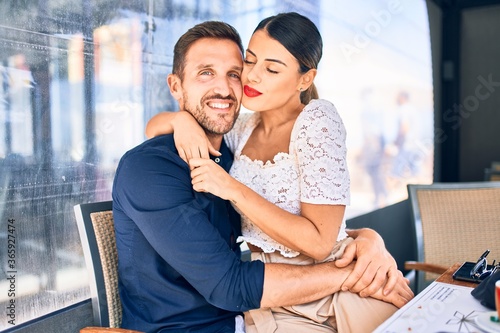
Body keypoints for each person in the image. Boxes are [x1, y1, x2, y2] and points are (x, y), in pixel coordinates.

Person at [114, 20, 412, 333]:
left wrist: (368, 238)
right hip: (230, 312)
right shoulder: (159, 166)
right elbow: (230, 285)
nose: (227, 86)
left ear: (305, 78)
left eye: (233, 72)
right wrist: (179, 120)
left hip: (262, 302)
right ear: (175, 86)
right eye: (206, 73)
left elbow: (319, 232)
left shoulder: (232, 146)